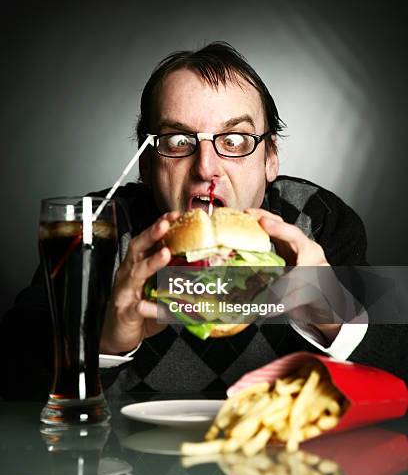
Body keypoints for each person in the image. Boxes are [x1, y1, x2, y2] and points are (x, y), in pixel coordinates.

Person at [0, 42, 405, 400]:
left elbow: (399, 363)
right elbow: (12, 368)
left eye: (234, 140)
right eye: (178, 141)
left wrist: (335, 311)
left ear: (270, 159)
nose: (206, 167)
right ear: (146, 163)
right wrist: (103, 341)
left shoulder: (316, 217)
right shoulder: (99, 225)